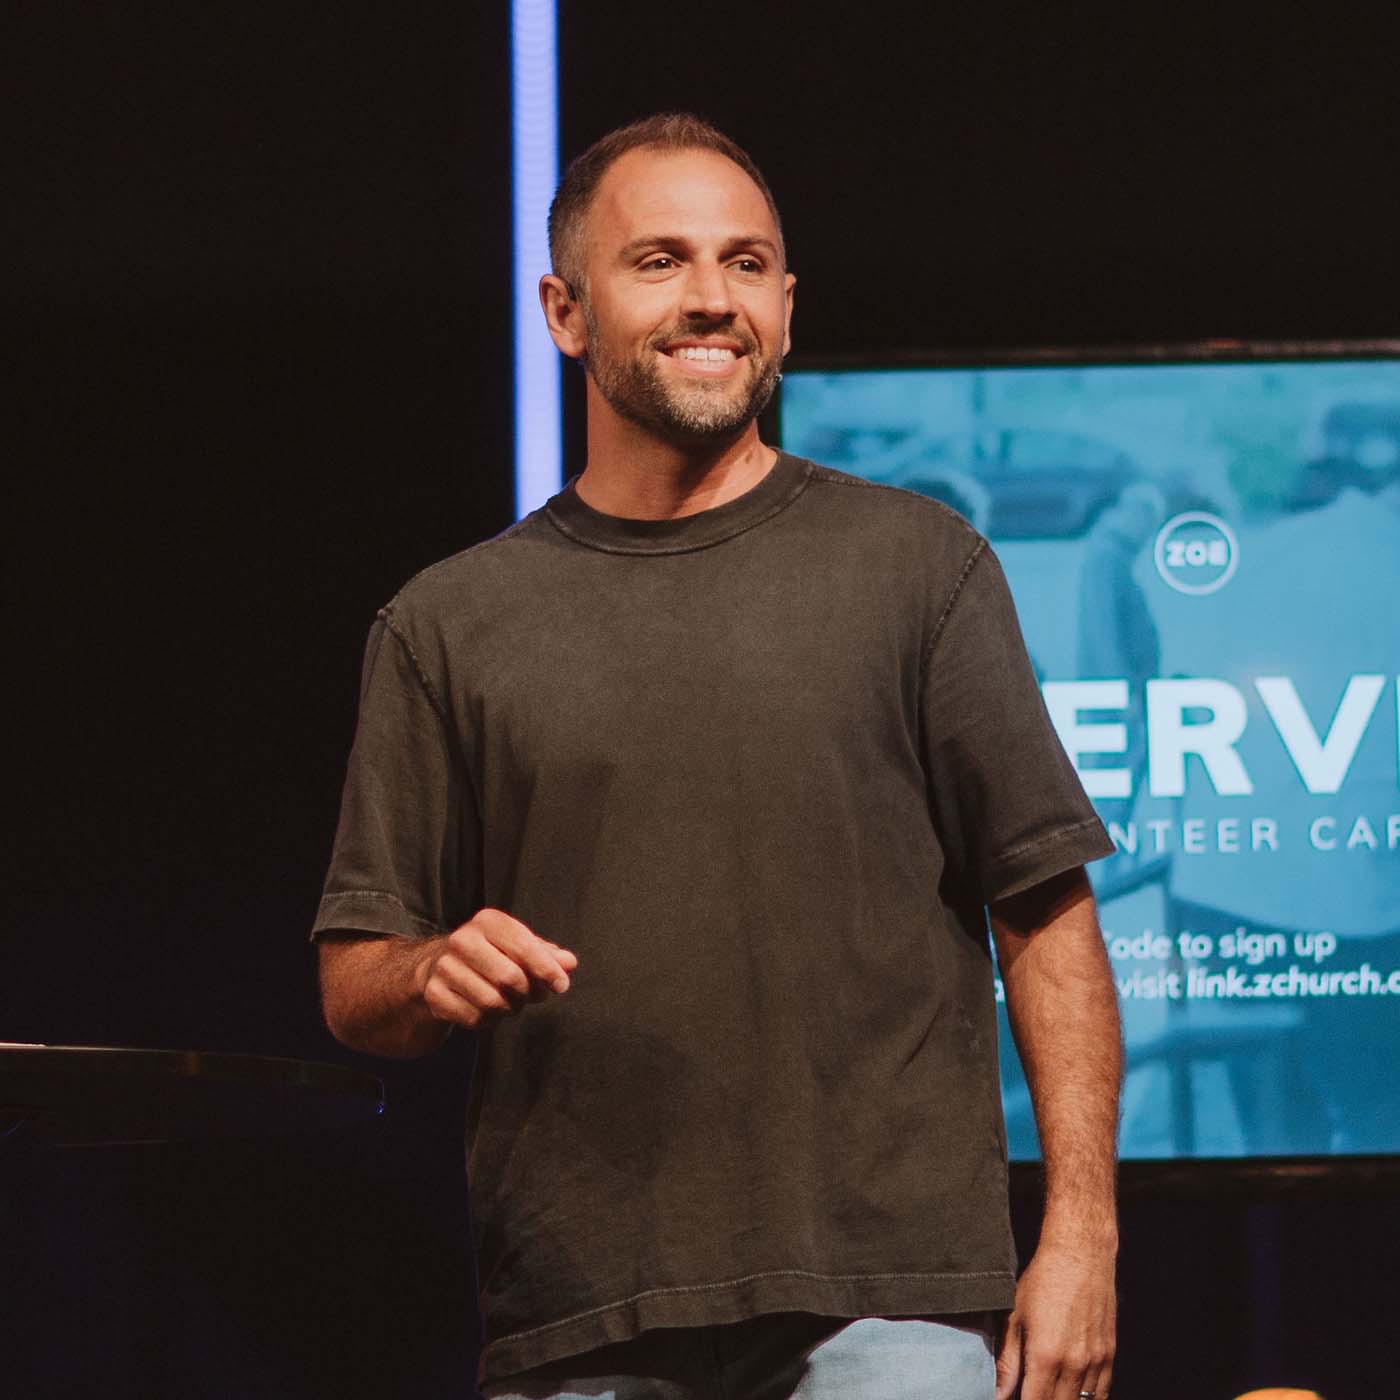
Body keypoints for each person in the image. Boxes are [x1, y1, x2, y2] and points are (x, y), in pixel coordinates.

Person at [313, 113, 1122, 1400]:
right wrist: (428, 966)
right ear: (564, 311)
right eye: (660, 260)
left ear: (785, 311)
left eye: (744, 263)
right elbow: (355, 980)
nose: (710, 298)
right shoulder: (447, 622)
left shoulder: (918, 565)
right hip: (583, 1310)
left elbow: (1043, 907)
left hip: (890, 1300)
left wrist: (1081, 1233)